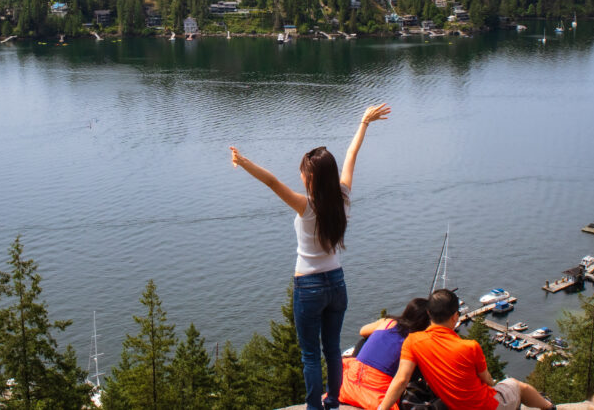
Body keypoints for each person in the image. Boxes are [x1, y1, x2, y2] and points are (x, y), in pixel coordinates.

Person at [230, 103, 390, 410]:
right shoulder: (343, 197)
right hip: (337, 284)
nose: (300, 176)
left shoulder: (306, 206)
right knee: (332, 349)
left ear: (311, 178)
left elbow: (271, 182)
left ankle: (314, 407)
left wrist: (243, 160)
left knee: (309, 355)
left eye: (303, 173)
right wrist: (364, 123)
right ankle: (332, 402)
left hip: (309, 287)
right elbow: (351, 155)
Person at [378, 289, 556, 410]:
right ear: (455, 317)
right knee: (517, 386)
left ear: (429, 314)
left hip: (450, 403)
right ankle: (550, 407)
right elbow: (487, 380)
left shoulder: (413, 341)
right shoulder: (469, 346)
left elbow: (400, 380)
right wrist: (495, 387)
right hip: (484, 405)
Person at [338, 298, 430, 409]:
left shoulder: (388, 322)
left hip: (349, 384)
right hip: (375, 392)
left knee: (364, 340)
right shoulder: (416, 341)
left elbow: (362, 331)